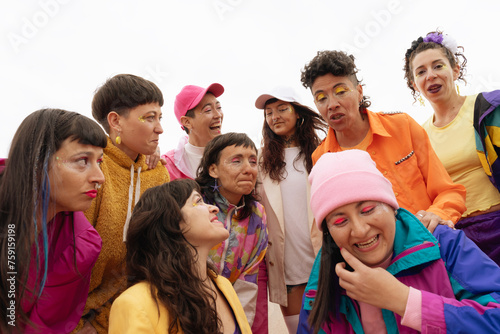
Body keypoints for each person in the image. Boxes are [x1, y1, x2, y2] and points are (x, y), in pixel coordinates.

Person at [298, 149, 500, 333]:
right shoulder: (321, 284)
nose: (360, 230)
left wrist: (404, 300)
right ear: (328, 233)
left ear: (392, 206)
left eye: (368, 210)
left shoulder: (442, 244)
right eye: (341, 221)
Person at [300, 50, 466, 231]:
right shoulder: (322, 159)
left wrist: (437, 214)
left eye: (340, 91)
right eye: (321, 98)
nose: (332, 104)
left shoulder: (402, 126)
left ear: (359, 92)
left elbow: (448, 192)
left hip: (432, 242)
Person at [75, 74, 170, 333]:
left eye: (160, 118)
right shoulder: (90, 170)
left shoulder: (159, 173)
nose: (159, 128)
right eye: (149, 117)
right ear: (115, 121)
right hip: (81, 319)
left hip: (137, 315)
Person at [0, 109, 106, 333]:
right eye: (82, 160)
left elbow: (40, 326)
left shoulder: (81, 245)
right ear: (37, 161)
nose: (99, 177)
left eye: (100, 162)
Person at [404, 30, 500, 265]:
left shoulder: (488, 107)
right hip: (459, 240)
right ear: (413, 84)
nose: (431, 76)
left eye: (438, 66)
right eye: (421, 72)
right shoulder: (418, 135)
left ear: (455, 69)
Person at [108, 179, 251, 333]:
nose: (214, 208)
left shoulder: (223, 286)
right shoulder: (134, 303)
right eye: (198, 201)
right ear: (170, 222)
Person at [254, 86, 326, 333]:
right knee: (300, 331)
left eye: (282, 109)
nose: (274, 117)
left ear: (298, 113)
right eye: (269, 113)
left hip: (324, 257)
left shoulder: (322, 151)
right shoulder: (260, 160)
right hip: (287, 267)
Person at [196, 133, 268, 332]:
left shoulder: (257, 215)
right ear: (213, 169)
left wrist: (237, 327)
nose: (248, 169)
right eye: (236, 161)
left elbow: (248, 280)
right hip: (187, 304)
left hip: (229, 307)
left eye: (253, 161)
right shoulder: (195, 206)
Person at [162, 83, 224, 180]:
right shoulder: (167, 166)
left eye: (219, 107)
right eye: (208, 110)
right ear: (187, 122)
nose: (218, 115)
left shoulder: (235, 155)